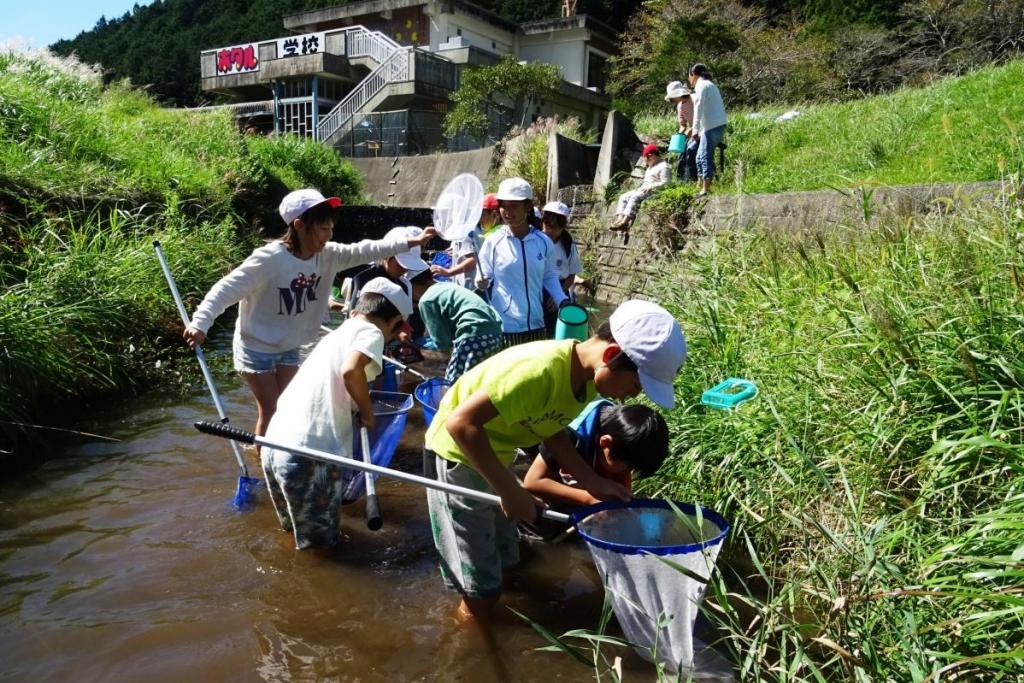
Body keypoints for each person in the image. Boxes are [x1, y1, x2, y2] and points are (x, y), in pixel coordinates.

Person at [423, 299, 687, 622]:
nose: (629, 398)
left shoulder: (587, 381)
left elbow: (551, 427)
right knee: (482, 590)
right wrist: (511, 490)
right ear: (610, 356)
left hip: (494, 454)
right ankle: (463, 640)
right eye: (635, 385)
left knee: (509, 559)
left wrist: (592, 482)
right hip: (458, 457)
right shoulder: (539, 372)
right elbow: (461, 424)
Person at [183, 189, 435, 444]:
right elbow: (226, 289)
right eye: (323, 228)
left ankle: (285, 451)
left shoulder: (328, 256)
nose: (329, 235)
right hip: (256, 346)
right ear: (299, 225)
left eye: (331, 228)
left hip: (290, 345)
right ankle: (265, 461)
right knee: (272, 410)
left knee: (290, 405)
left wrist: (410, 243)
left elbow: (366, 249)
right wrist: (200, 322)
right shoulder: (269, 259)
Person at [261, 277, 411, 549]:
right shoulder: (372, 333)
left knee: (294, 537)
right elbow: (351, 371)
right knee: (321, 550)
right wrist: (367, 414)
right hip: (309, 456)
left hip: (274, 445)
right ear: (394, 322)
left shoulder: (341, 332)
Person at [522, 400, 669, 540]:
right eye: (627, 468)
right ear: (605, 443)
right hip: (530, 461)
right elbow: (533, 482)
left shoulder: (622, 437)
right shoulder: (569, 435)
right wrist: (589, 499)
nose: (627, 473)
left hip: (587, 464)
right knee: (546, 526)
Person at [476, 177, 567, 347]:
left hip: (536, 324)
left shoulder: (543, 241)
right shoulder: (493, 242)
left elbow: (549, 275)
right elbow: (484, 276)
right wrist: (481, 282)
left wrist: (562, 299)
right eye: (503, 205)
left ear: (527, 207)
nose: (507, 211)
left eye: (514, 205)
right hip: (505, 327)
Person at [411, 274, 504, 383]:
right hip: (495, 334)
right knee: (481, 381)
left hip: (473, 336)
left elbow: (442, 343)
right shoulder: (449, 286)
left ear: (412, 286)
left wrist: (423, 350)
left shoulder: (426, 300)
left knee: (454, 384)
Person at [431, 194, 501, 291]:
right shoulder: (465, 230)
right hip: (471, 286)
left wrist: (448, 272)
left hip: (472, 288)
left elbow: (473, 260)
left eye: (445, 213)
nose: (442, 217)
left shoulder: (464, 231)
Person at [540, 200, 583, 337]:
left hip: (561, 288)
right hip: (538, 287)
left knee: (556, 331)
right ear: (543, 222)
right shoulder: (535, 241)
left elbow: (571, 274)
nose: (551, 231)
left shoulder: (568, 245)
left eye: (556, 227)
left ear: (563, 226)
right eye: (548, 225)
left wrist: (559, 294)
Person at [688, 63, 728, 196]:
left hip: (712, 127)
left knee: (704, 156)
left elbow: (698, 108)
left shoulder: (702, 85)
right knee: (699, 156)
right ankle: (700, 185)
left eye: (689, 77)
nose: (689, 80)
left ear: (693, 74)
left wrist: (695, 130)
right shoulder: (709, 84)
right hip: (714, 126)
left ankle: (706, 188)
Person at [610, 145, 670, 231]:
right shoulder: (651, 166)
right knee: (623, 196)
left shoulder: (664, 167)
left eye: (646, 159)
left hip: (655, 191)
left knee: (635, 197)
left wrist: (652, 187)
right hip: (643, 189)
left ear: (651, 156)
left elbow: (666, 182)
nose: (645, 161)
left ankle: (625, 222)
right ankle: (619, 219)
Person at [665, 80, 698, 182]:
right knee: (682, 154)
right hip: (691, 133)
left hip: (702, 130)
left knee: (691, 150)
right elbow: (682, 125)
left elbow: (702, 118)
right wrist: (679, 136)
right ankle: (682, 181)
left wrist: (692, 129)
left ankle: (692, 179)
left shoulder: (694, 99)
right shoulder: (679, 106)